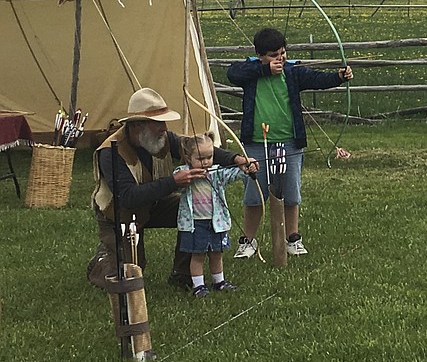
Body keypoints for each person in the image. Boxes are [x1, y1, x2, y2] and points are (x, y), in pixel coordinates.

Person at [87, 88, 257, 291]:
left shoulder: (161, 138)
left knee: (191, 208)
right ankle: (100, 261)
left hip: (153, 204)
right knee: (128, 276)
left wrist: (236, 160)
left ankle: (183, 274)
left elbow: (197, 149)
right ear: (138, 125)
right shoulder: (110, 151)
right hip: (119, 216)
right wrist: (174, 182)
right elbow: (128, 198)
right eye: (159, 123)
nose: (164, 128)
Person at [226, 27, 353, 258]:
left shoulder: (292, 72)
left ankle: (292, 239)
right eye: (274, 55)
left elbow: (317, 79)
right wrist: (265, 70)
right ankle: (248, 242)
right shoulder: (251, 71)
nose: (280, 58)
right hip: (256, 143)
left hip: (289, 142)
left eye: (282, 53)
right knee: (254, 195)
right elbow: (233, 74)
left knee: (291, 194)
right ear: (261, 56)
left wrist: (338, 77)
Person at [175, 132, 257, 297]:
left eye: (209, 157)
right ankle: (198, 286)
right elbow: (176, 184)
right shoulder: (183, 172)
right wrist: (187, 177)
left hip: (215, 222)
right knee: (197, 255)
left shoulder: (217, 172)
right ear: (188, 157)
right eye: (200, 158)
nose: (205, 162)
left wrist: (247, 167)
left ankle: (219, 281)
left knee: (216, 253)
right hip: (195, 223)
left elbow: (234, 173)